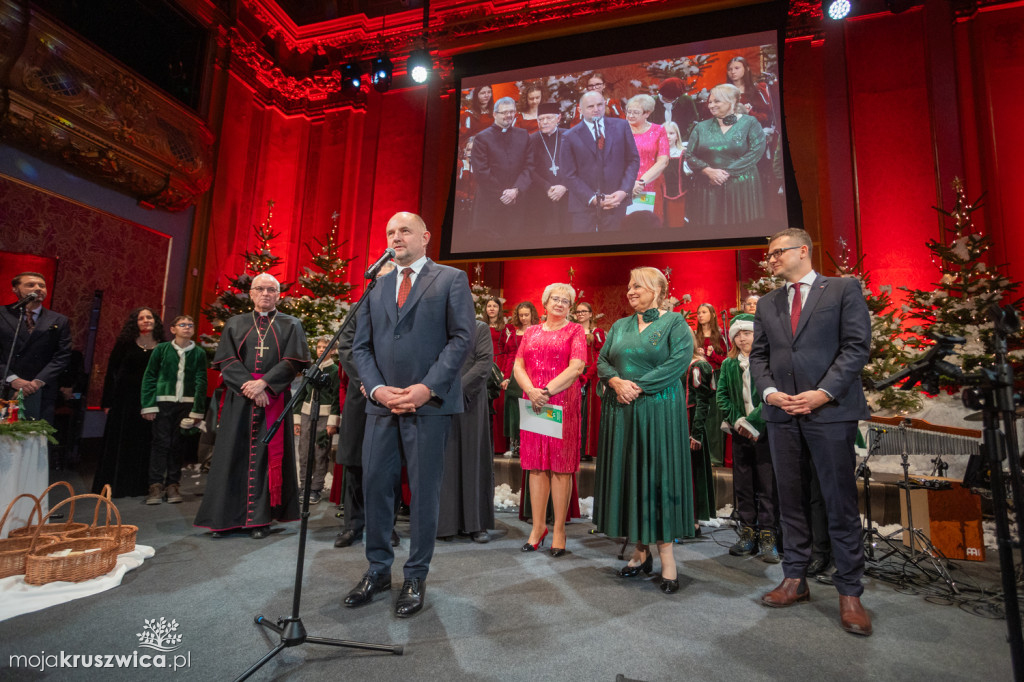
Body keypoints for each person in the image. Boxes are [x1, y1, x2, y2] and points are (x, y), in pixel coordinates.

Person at [345, 211, 475, 618]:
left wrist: (425, 388)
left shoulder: (451, 279)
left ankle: (416, 574)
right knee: (376, 488)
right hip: (381, 405)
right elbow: (360, 347)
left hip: (429, 405)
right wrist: (379, 389)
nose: (395, 237)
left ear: (425, 236)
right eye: (389, 232)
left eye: (403, 230)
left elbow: (462, 339)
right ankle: (378, 569)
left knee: (423, 493)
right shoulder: (377, 286)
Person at [749, 227, 873, 636]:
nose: (771, 260)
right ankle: (794, 579)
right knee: (791, 501)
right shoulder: (767, 304)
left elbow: (856, 347)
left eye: (776, 253)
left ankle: (850, 593)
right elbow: (759, 356)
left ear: (803, 251)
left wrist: (822, 393)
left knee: (838, 502)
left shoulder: (842, 290)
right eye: (768, 255)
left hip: (830, 413)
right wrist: (769, 392)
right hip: (783, 416)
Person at [594, 267, 694, 594]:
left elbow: (678, 361)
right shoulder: (620, 325)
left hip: (659, 410)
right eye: (628, 286)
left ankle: (667, 559)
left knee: (656, 476)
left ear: (656, 290)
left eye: (637, 286)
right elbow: (603, 361)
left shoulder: (675, 323)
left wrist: (635, 386)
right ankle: (640, 550)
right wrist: (615, 381)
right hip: (622, 411)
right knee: (630, 477)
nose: (630, 291)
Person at [193, 273, 310, 539]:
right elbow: (226, 360)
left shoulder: (291, 324)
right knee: (232, 456)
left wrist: (265, 384)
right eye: (260, 289)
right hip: (240, 399)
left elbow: (294, 362)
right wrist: (250, 386)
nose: (266, 294)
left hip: (272, 400)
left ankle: (260, 520)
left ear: (279, 295)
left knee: (266, 458)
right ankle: (226, 519)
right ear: (251, 293)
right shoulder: (235, 323)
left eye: (272, 289)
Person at [513, 283, 585, 557]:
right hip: (534, 402)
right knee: (535, 466)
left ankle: (558, 530)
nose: (560, 303)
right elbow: (518, 365)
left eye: (566, 300)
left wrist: (545, 391)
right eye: (555, 298)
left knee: (560, 467)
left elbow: (576, 366)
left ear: (570, 307)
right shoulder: (530, 331)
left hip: (561, 402)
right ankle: (538, 528)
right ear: (544, 302)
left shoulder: (575, 330)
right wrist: (532, 390)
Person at [333, 261, 402, 550]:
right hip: (362, 396)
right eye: (380, 278)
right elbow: (346, 347)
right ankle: (353, 524)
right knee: (356, 463)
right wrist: (369, 381)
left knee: (390, 465)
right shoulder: (358, 308)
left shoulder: (405, 311)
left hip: (395, 396)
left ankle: (387, 526)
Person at [716, 313, 778, 562]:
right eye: (738, 335)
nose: (742, 339)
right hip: (740, 432)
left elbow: (773, 397)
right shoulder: (729, 365)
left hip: (764, 432)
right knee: (743, 484)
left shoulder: (769, 362)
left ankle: (768, 535)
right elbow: (722, 396)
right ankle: (747, 532)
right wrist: (739, 421)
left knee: (767, 484)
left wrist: (753, 423)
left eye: (747, 333)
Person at [92, 307, 165, 498]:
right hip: (124, 401)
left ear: (155, 321)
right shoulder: (125, 343)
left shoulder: (164, 345)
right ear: (135, 323)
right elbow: (111, 373)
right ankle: (117, 486)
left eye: (149, 317)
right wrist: (107, 402)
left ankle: (142, 486)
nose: (146, 320)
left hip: (151, 400)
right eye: (141, 318)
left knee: (146, 442)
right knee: (121, 442)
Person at [437, 320, 495, 543]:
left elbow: (484, 363)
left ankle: (476, 524)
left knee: (473, 460)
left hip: (470, 401)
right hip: (438, 399)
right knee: (445, 463)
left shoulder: (479, 328)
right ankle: (445, 524)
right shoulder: (438, 327)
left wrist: (456, 390)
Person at [140, 315, 208, 505]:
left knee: (178, 444)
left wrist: (196, 411)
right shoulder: (161, 350)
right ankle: (155, 485)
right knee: (160, 443)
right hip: (163, 403)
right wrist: (148, 405)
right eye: (183, 325)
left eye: (190, 325)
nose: (187, 328)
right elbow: (150, 377)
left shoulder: (199, 353)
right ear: (173, 329)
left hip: (186, 405)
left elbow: (201, 382)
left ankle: (173, 484)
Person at [686, 84, 767, 228]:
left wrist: (726, 173)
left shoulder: (749, 123)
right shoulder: (701, 127)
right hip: (708, 186)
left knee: (741, 230)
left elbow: (756, 151)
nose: (711, 105)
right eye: (710, 102)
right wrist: (708, 171)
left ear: (733, 101)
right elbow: (690, 155)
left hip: (741, 185)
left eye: (717, 101)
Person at [563, 90, 640, 234]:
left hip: (616, 202)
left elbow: (633, 160)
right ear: (580, 109)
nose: (596, 109)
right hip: (584, 206)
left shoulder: (621, 126)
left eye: (599, 105)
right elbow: (568, 174)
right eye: (590, 106)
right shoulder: (569, 136)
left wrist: (623, 191)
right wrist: (592, 198)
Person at [0, 272, 71, 426]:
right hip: (6, 387)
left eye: (42, 285)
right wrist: (13, 379)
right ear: (15, 289)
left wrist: (36, 383)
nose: (38, 288)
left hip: (41, 390)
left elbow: (62, 356)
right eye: (31, 285)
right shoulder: (2, 314)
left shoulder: (59, 320)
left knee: (36, 439)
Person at [470, 96, 532, 240]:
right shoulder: (482, 138)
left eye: (511, 112)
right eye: (504, 112)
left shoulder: (523, 135)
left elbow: (529, 166)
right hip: (490, 202)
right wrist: (504, 193)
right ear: (494, 114)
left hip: (517, 202)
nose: (508, 115)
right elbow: (481, 171)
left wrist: (516, 190)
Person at [292, 336, 340, 505]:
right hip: (306, 414)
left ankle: (315, 488)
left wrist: (332, 422)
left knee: (320, 452)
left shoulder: (334, 370)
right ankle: (304, 486)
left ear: (333, 351)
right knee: (304, 452)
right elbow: (302, 394)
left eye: (325, 347)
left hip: (324, 417)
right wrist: (297, 420)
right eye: (319, 346)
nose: (321, 349)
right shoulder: (312, 368)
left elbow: (336, 398)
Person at [683, 329, 716, 533]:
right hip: (673, 421)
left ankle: (693, 519)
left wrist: (696, 432)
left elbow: (703, 401)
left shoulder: (699, 365)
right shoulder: (674, 361)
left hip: (690, 422)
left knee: (692, 469)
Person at [526, 102, 572, 235]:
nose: (544, 122)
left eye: (549, 118)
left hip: (568, 195)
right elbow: (529, 168)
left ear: (558, 118)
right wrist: (547, 187)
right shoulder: (531, 140)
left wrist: (564, 186)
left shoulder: (569, 136)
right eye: (541, 119)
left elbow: (579, 165)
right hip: (542, 196)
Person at [625, 94, 670, 224]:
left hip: (650, 184)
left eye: (636, 112)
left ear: (647, 113)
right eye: (629, 111)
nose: (631, 115)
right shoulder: (619, 130)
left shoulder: (659, 130)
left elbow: (663, 161)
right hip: (624, 185)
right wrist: (630, 183)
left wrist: (641, 182)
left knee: (649, 225)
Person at [501, 301, 539, 457]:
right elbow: (510, 357)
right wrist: (506, 377)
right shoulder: (514, 333)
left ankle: (530, 444)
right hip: (515, 375)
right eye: (521, 315)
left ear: (532, 315)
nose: (523, 318)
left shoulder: (538, 331)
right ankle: (515, 445)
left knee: (530, 408)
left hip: (532, 375)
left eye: (526, 315)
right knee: (514, 409)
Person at [695, 302, 727, 467]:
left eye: (704, 312)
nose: (700, 315)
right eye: (699, 312)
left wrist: (713, 355)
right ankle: (699, 455)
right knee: (699, 416)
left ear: (713, 314)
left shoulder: (721, 337)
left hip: (716, 379)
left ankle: (715, 457)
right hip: (699, 380)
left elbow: (727, 361)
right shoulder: (695, 336)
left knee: (715, 418)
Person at [574, 301, 605, 462]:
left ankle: (588, 450)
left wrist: (588, 375)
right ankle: (576, 449)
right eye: (578, 312)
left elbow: (601, 355)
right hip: (575, 373)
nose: (581, 314)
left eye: (584, 311)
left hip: (592, 374)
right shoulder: (572, 331)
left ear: (591, 313)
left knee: (590, 412)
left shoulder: (597, 332)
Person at [482, 297, 508, 454]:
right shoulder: (479, 325)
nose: (491, 308)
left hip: (499, 363)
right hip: (483, 363)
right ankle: (485, 445)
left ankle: (499, 447)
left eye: (495, 306)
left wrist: (504, 371)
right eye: (489, 306)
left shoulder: (505, 328)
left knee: (498, 405)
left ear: (499, 309)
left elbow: (507, 350)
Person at [726, 56, 774, 127]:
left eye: (737, 68)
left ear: (746, 69)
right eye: (730, 69)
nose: (733, 72)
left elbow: (767, 116)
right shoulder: (724, 92)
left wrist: (748, 113)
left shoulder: (758, 89)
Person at [661, 121, 688, 226]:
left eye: (671, 133)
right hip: (658, 194)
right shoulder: (656, 152)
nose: (668, 136)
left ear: (677, 136)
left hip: (677, 195)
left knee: (675, 224)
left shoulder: (683, 153)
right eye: (664, 133)